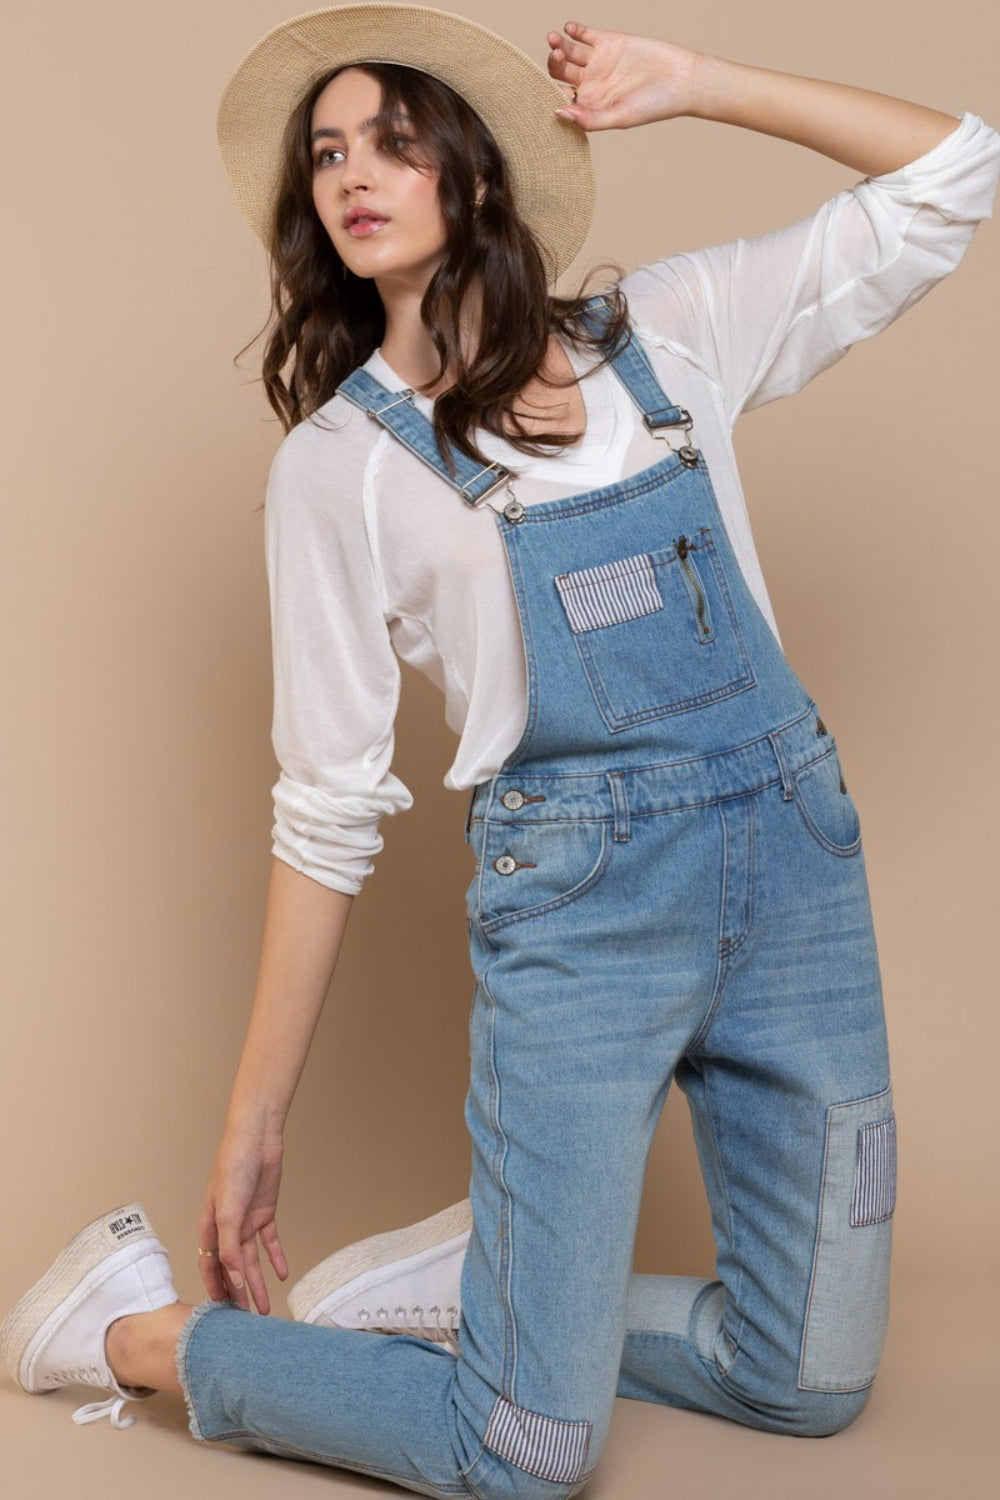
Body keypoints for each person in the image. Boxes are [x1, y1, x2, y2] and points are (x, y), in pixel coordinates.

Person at [2, 7, 998, 1496]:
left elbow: (955, 173)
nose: (353, 173)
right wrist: (253, 1124)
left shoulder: (668, 335)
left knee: (808, 1383)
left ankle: (473, 1295)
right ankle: (133, 1333)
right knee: (520, 1452)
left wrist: (699, 84)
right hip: (580, 916)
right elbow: (326, 808)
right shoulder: (337, 471)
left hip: (798, 879)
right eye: (327, 153)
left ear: (476, 173)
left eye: (394, 140)